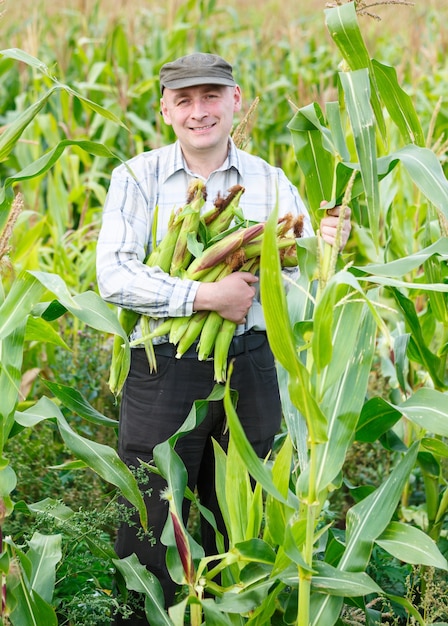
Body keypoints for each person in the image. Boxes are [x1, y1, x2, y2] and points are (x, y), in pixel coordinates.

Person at [96, 52, 351, 623]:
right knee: (155, 516)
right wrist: (206, 296)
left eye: (211, 96)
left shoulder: (271, 181)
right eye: (184, 100)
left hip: (252, 365)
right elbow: (113, 273)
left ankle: (237, 612)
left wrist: (329, 243)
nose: (199, 111)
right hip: (166, 366)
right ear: (164, 109)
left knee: (246, 509)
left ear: (236, 101)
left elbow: (305, 272)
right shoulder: (136, 177)